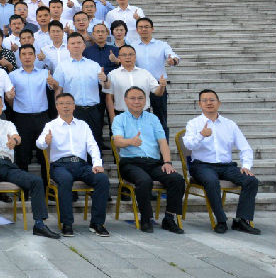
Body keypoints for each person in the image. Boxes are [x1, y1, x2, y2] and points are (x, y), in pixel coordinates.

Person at [0, 94, 60, 240]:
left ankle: (39, 224)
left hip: (8, 166)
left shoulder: (8, 124)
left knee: (36, 181)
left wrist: (14, 141)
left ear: (2, 107)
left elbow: (17, 137)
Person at [183, 89, 259, 234]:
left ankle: (242, 220)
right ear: (199, 104)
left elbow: (245, 147)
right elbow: (188, 145)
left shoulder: (230, 124)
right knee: (212, 181)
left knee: (251, 180)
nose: (209, 103)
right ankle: (221, 220)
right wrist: (201, 135)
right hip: (202, 166)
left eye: (212, 100)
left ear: (219, 103)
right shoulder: (194, 124)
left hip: (226, 166)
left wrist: (246, 166)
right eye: (204, 100)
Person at [111, 87, 185, 233]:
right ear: (125, 100)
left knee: (177, 179)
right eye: (132, 98)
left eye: (140, 98)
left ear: (146, 100)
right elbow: (117, 141)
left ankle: (169, 218)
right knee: (144, 181)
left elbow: (163, 142)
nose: (137, 101)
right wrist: (130, 141)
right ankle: (146, 218)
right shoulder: (119, 119)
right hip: (130, 163)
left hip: (153, 163)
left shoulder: (153, 119)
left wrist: (167, 162)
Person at [36, 93, 110, 237]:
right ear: (57, 106)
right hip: (60, 165)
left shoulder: (83, 125)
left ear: (74, 106)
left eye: (69, 103)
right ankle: (67, 223)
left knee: (102, 179)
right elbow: (39, 144)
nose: (65, 106)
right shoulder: (51, 125)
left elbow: (92, 145)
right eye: (62, 103)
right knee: (65, 179)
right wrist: (46, 141)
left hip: (81, 165)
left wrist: (97, 163)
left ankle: (97, 223)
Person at [49, 33, 108, 150]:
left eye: (79, 43)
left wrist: (105, 79)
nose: (76, 45)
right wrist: (59, 111)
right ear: (68, 47)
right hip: (73, 111)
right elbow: (58, 90)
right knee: (75, 145)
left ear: (84, 46)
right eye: (73, 43)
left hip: (93, 111)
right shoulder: (62, 66)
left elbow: (106, 86)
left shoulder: (94, 65)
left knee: (95, 144)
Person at [7, 44, 52, 185]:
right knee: (22, 155)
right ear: (19, 57)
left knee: (44, 155)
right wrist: (10, 98)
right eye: (24, 54)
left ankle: (46, 189)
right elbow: (9, 97)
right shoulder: (13, 75)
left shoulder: (44, 73)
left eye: (30, 54)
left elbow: (54, 87)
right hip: (22, 118)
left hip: (42, 118)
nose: (27, 57)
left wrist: (54, 83)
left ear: (34, 56)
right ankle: (24, 189)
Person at [133, 17, 179, 139]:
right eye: (140, 27)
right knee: (141, 118)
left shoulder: (162, 45)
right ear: (137, 30)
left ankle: (164, 147)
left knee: (161, 118)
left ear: (152, 29)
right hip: (139, 86)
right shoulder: (132, 46)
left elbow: (173, 56)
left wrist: (172, 60)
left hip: (159, 85)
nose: (144, 29)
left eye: (146, 27)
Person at [105, 45, 165, 124]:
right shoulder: (112, 75)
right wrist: (113, 118)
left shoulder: (145, 73)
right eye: (124, 55)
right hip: (122, 116)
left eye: (130, 54)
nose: (128, 57)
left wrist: (162, 86)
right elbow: (109, 98)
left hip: (143, 115)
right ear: (119, 57)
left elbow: (158, 93)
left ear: (135, 57)